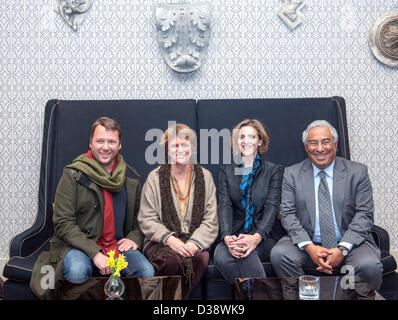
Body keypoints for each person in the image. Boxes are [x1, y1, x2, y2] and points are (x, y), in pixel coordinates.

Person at [30, 117, 154, 299]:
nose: (105, 147)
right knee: (77, 270)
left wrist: (134, 237)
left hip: (116, 245)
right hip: (77, 245)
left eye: (111, 141)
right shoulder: (72, 174)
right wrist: (95, 253)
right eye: (100, 141)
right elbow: (63, 223)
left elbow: (139, 220)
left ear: (119, 145)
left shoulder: (130, 177)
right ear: (90, 143)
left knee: (145, 270)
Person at [270, 120, 383, 292]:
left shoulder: (357, 172)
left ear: (335, 144)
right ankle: (304, 295)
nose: (320, 148)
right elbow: (288, 214)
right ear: (306, 147)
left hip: (351, 244)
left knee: (369, 265)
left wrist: (342, 249)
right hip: (309, 242)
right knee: (280, 254)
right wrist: (310, 248)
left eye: (325, 141)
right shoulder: (291, 174)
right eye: (313, 143)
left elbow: (364, 214)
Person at [138, 123, 218, 299]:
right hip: (161, 241)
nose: (180, 149)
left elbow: (210, 219)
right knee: (172, 260)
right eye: (175, 145)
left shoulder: (205, 176)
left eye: (185, 145)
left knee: (200, 259)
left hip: (194, 240)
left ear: (193, 148)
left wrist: (195, 243)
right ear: (167, 150)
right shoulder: (155, 177)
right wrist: (170, 239)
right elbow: (147, 218)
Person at [214, 119, 283, 284]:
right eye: (241, 137)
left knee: (246, 255)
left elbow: (272, 207)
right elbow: (225, 206)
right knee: (221, 258)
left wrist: (256, 237)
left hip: (263, 235)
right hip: (235, 233)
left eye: (251, 137)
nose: (245, 141)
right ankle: (262, 294)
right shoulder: (227, 171)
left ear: (260, 141)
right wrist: (227, 237)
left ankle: (260, 295)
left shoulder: (273, 170)